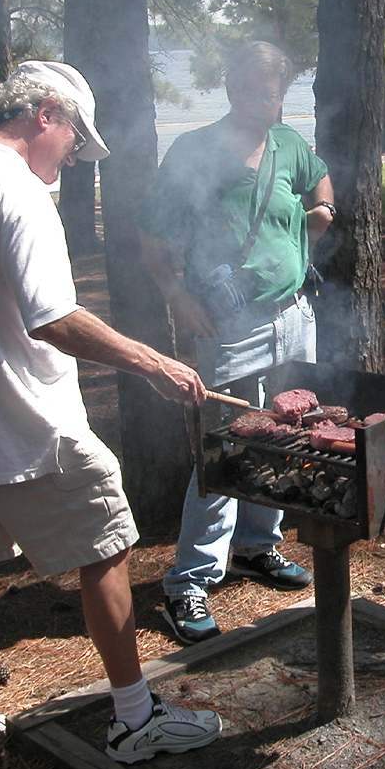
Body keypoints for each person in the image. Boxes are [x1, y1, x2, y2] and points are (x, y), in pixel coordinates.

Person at [0, 60, 222, 769]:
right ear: (44, 113)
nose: (76, 155)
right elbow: (54, 318)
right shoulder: (16, 191)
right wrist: (154, 363)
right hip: (23, 427)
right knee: (109, 538)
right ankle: (137, 719)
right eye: (76, 136)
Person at [140, 41, 335, 646]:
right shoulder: (193, 151)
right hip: (227, 324)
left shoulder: (289, 145)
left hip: (293, 315)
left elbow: (320, 188)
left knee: (282, 432)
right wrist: (176, 296)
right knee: (224, 445)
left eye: (273, 90)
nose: (263, 99)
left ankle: (257, 546)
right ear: (230, 88)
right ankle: (189, 580)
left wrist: (319, 214)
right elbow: (151, 233)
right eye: (252, 88)